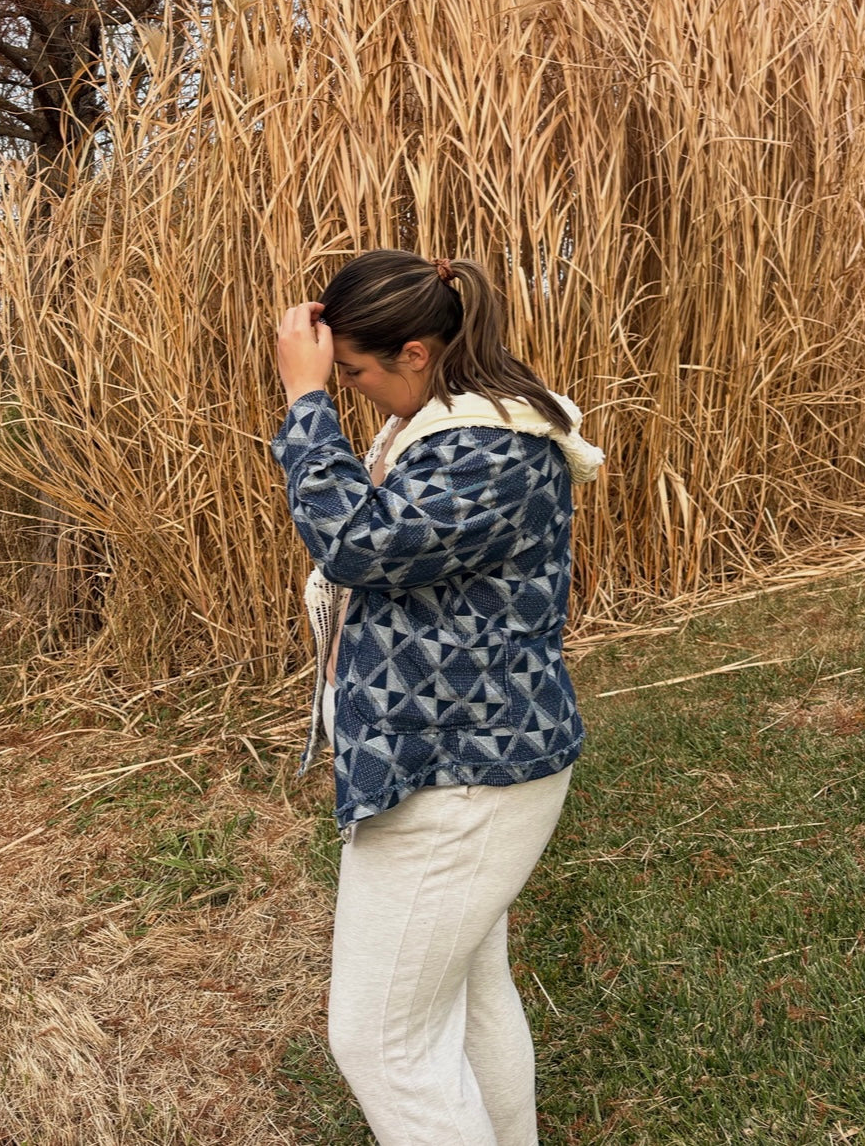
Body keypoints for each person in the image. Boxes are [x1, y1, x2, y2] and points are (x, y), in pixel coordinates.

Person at [271, 248, 604, 1146]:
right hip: (456, 758)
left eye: (355, 374)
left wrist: (305, 406)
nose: (350, 391)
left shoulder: (487, 444)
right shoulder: (455, 423)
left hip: (459, 776)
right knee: (462, 995)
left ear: (416, 353)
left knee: (380, 1041)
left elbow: (357, 542)